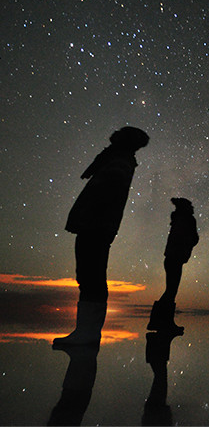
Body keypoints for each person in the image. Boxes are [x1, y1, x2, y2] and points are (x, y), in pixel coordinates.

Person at [54, 126, 149, 346]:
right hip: (96, 225)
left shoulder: (118, 162)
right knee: (89, 277)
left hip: (96, 226)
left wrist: (92, 220)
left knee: (91, 277)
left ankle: (87, 335)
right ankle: (86, 333)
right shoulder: (117, 160)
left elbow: (106, 195)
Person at [147, 198, 199, 333]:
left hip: (172, 258)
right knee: (171, 290)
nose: (193, 208)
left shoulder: (179, 220)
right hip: (175, 258)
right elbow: (191, 238)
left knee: (171, 290)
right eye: (190, 206)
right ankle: (161, 322)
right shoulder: (186, 220)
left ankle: (161, 322)